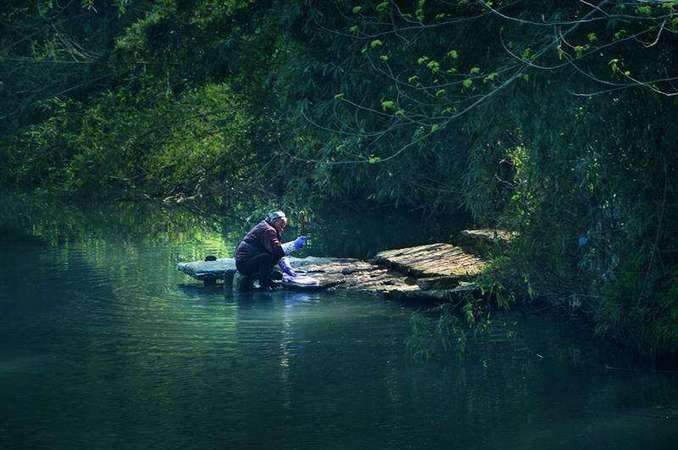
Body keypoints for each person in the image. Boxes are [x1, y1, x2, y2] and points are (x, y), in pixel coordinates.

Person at [235, 210, 307, 291]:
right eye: (281, 223)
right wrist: (294, 245)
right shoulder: (268, 230)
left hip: (248, 262)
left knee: (269, 257)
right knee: (266, 257)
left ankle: (268, 281)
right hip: (244, 265)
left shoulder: (266, 226)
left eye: (284, 223)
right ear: (274, 221)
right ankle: (264, 286)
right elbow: (276, 251)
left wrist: (285, 263)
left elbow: (275, 251)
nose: (283, 227)